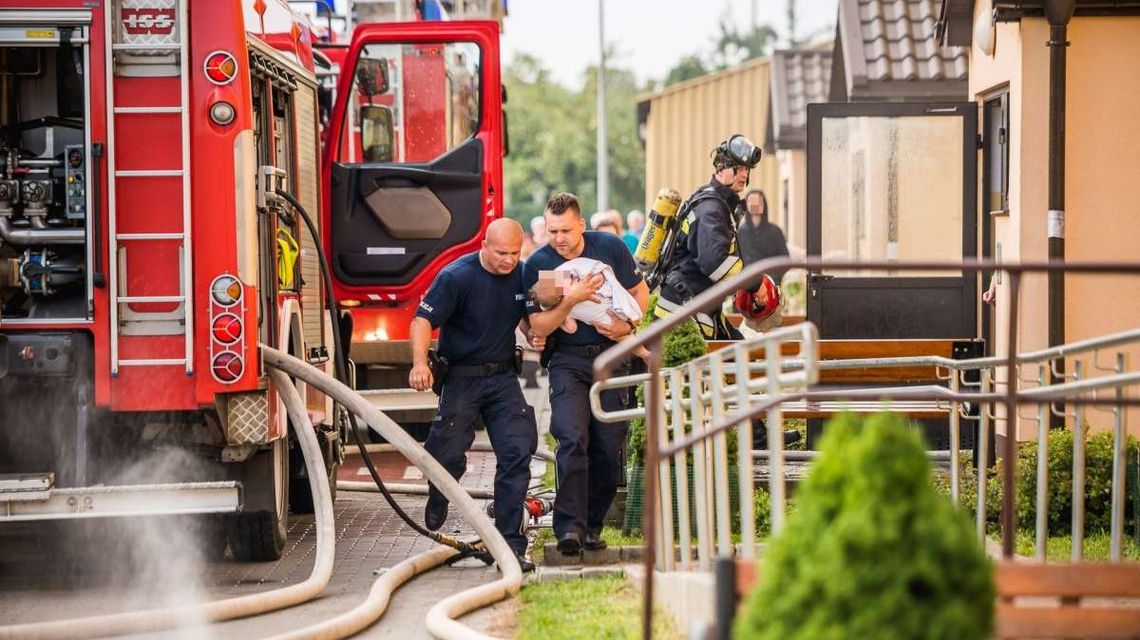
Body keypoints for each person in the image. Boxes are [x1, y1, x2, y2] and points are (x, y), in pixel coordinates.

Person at [409, 218, 541, 571]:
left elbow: (526, 319)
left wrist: (533, 334)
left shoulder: (522, 274)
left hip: (502, 379)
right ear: (484, 246)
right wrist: (420, 364)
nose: (508, 260)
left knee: (516, 453)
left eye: (515, 253)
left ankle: (509, 546)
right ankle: (440, 490)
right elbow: (422, 320)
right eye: (501, 253)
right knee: (445, 453)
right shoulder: (457, 276)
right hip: (462, 380)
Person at [523, 192, 649, 556]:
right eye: (551, 230)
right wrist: (572, 299)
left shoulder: (609, 247)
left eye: (565, 230)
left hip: (612, 356)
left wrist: (626, 324)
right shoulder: (542, 264)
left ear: (581, 224)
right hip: (568, 362)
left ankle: (592, 525)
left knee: (609, 447)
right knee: (572, 439)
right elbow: (541, 326)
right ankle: (569, 529)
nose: (558, 238)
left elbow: (640, 293)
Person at [654, 134, 760, 340]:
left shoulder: (718, 202)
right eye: (738, 168)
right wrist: (756, 283)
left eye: (747, 170)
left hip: (697, 304)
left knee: (743, 354)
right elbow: (715, 264)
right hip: (682, 312)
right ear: (720, 167)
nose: (744, 174)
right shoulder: (710, 209)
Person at [530, 259, 650, 362]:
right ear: (559, 298)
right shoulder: (565, 305)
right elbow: (571, 328)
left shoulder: (572, 273)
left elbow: (598, 276)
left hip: (607, 299)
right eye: (563, 285)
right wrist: (564, 313)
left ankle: (645, 353)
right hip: (603, 317)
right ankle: (645, 354)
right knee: (618, 334)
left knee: (620, 332)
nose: (569, 280)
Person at [738, 189, 790, 284]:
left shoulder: (775, 231)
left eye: (757, 201)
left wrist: (772, 279)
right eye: (751, 201)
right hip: (746, 285)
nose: (754, 204)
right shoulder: (740, 232)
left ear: (763, 204)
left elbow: (785, 260)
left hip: (771, 283)